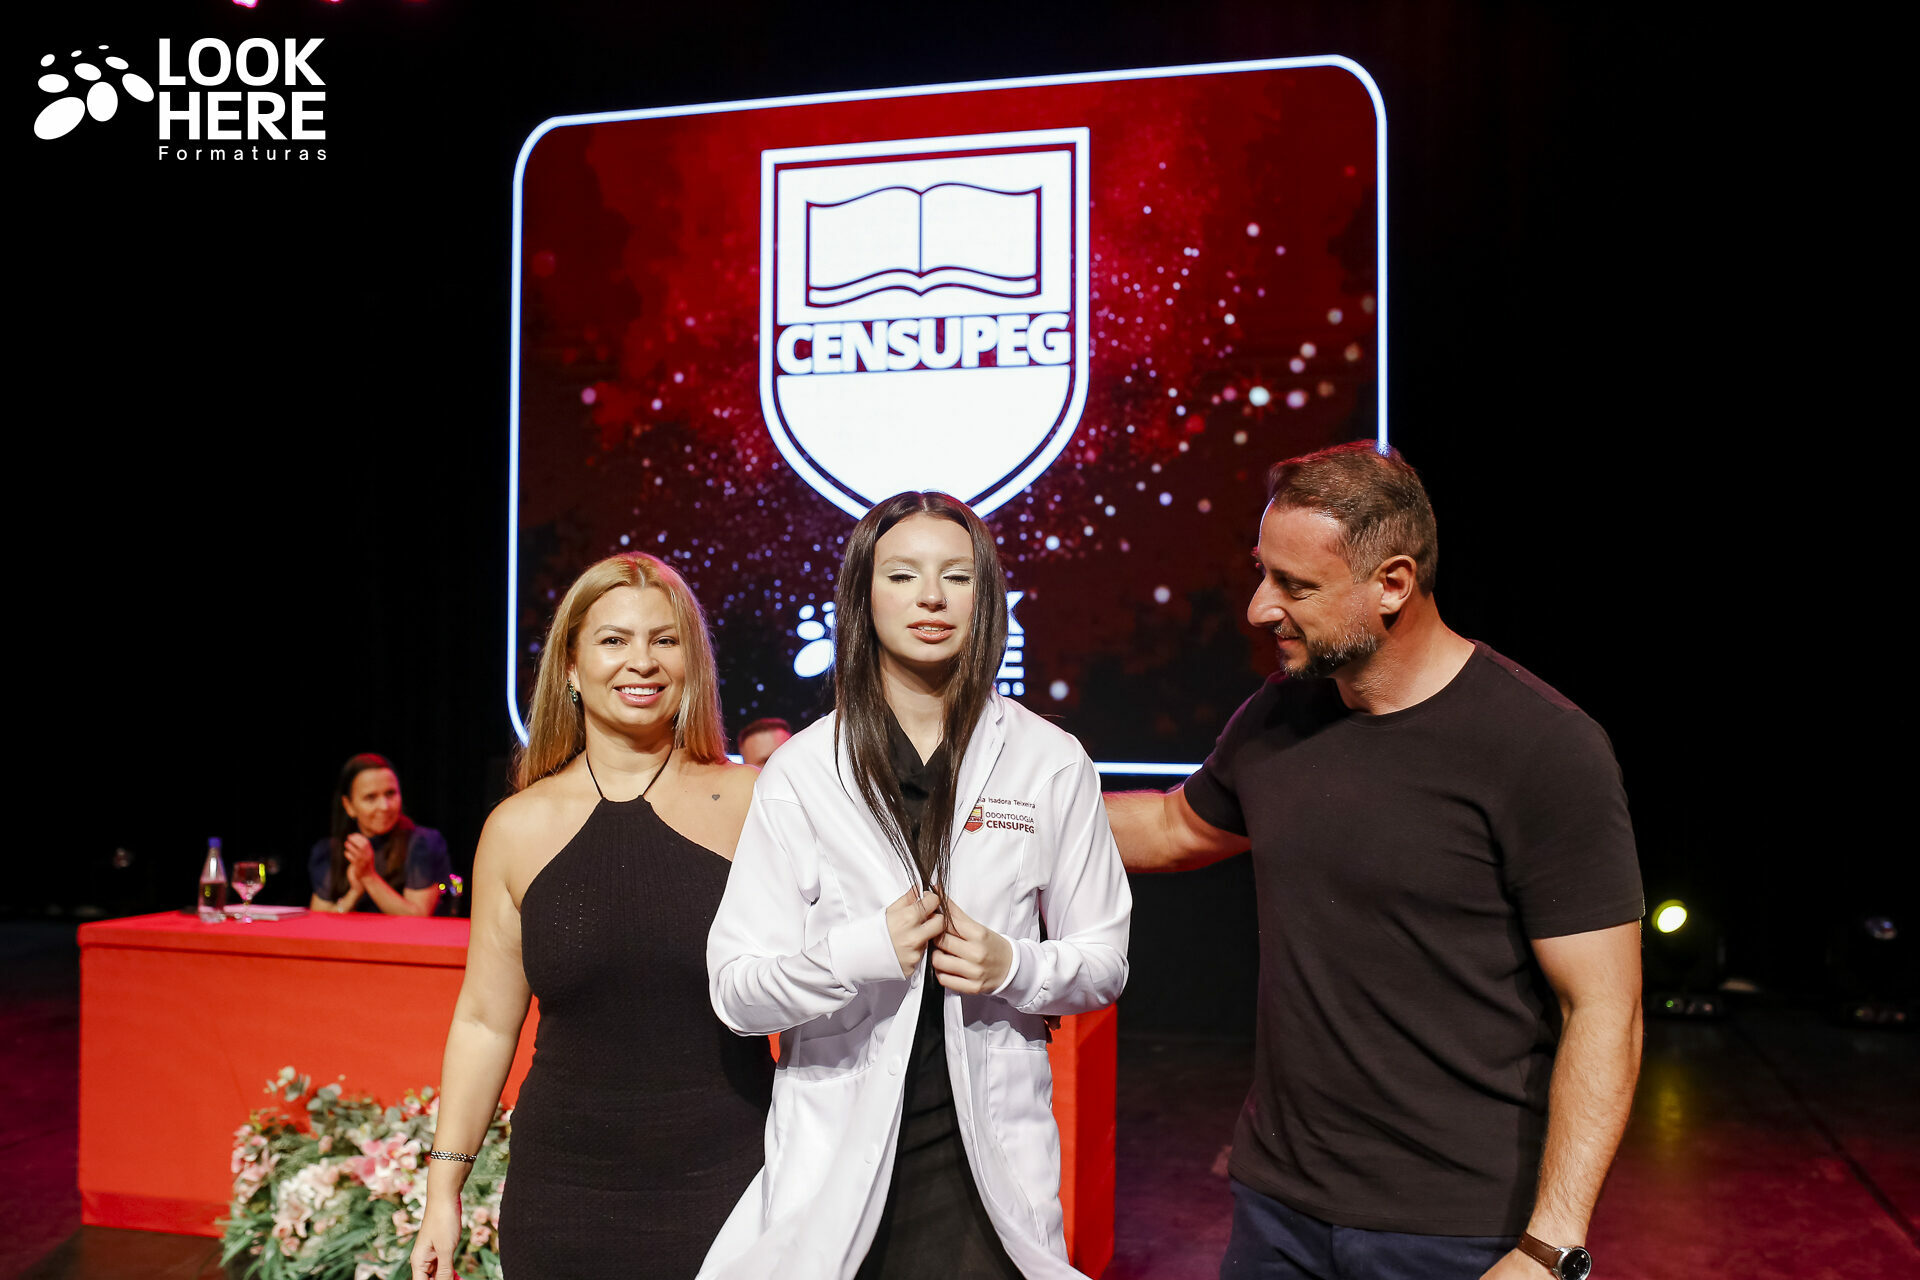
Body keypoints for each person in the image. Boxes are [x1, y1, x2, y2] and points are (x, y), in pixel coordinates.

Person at [1106, 442, 1643, 1280]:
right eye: (1262, 573)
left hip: (1456, 1231)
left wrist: (1549, 1246)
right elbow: (1174, 827)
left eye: (1295, 586)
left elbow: (1604, 1010)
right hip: (1278, 1209)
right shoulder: (1282, 714)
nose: (1259, 607)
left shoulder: (1543, 748)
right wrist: (990, 813)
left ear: (1393, 583)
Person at [702, 492, 1132, 1280]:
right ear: (863, 597)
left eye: (956, 577)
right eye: (902, 575)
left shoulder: (1049, 761)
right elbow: (736, 993)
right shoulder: (802, 772)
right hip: (838, 1167)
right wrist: (856, 954)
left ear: (986, 597)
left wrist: (1013, 965)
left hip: (987, 1168)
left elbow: (1104, 961)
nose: (931, 597)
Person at [411, 553, 771, 1279]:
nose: (642, 661)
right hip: (564, 1200)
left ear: (693, 664)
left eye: (664, 640)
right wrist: (442, 1192)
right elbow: (484, 1022)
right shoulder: (517, 827)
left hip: (736, 1186)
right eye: (614, 640)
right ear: (571, 668)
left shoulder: (756, 801)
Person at [308, 753, 452, 916]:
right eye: (371, 797)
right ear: (349, 806)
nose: (384, 806)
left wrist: (369, 876)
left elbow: (417, 916)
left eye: (390, 793)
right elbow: (319, 920)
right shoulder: (330, 851)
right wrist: (354, 893)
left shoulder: (422, 843)